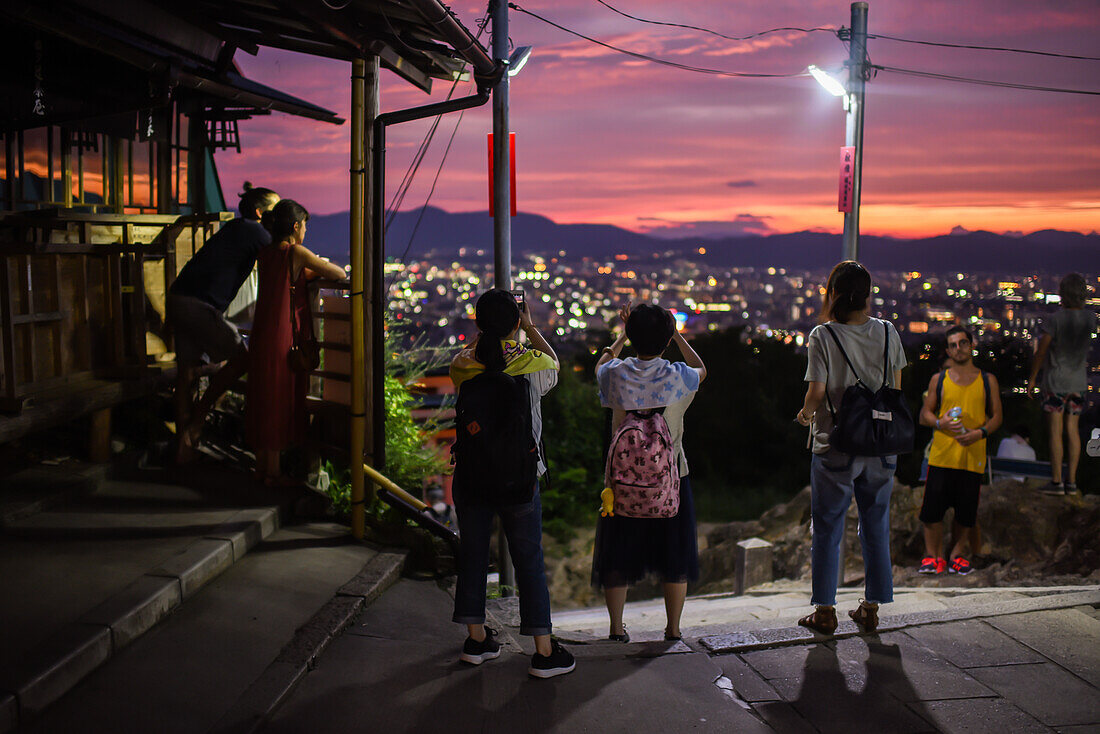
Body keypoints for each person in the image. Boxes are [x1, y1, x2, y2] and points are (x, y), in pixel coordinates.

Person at [448, 288, 575, 679]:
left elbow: (476, 358)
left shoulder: (461, 365)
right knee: (529, 561)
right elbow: (555, 363)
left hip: (472, 476)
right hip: (521, 477)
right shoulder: (533, 365)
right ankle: (543, 651)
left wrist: (486, 334)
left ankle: (476, 641)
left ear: (477, 323)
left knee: (471, 555)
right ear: (516, 323)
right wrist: (531, 329)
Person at [794, 261, 907, 634]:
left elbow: (817, 392)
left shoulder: (822, 336)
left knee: (827, 527)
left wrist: (805, 415)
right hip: (880, 444)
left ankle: (825, 610)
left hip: (836, 443)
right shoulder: (889, 332)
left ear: (832, 294)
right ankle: (870, 607)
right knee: (875, 524)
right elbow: (895, 387)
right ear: (869, 294)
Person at [591, 302, 706, 643]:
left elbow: (600, 363)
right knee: (675, 554)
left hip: (621, 479)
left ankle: (616, 628)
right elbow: (701, 367)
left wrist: (621, 336)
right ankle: (672, 629)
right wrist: (677, 335)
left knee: (616, 554)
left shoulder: (614, 373)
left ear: (631, 336)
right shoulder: (678, 376)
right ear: (667, 338)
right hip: (672, 478)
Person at [168, 182, 279, 463]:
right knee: (243, 359)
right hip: (201, 305)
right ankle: (198, 419)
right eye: (274, 209)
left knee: (186, 373)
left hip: (179, 298)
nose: (279, 215)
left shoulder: (234, 228)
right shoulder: (257, 230)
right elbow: (281, 257)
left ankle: (183, 447)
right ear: (259, 212)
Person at [246, 200, 345, 483]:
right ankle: (274, 473)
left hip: (262, 332)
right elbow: (339, 274)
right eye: (305, 226)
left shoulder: (265, 253)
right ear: (295, 226)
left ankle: (263, 466)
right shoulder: (296, 252)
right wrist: (320, 264)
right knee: (279, 397)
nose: (305, 231)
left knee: (263, 396)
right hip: (283, 335)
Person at [917, 326, 1002, 576]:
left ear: (971, 345)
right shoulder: (939, 379)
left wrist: (980, 433)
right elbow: (925, 414)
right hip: (942, 455)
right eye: (953, 345)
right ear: (948, 350)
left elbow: (996, 417)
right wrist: (939, 423)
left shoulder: (987, 380)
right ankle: (932, 557)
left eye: (962, 343)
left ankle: (957, 555)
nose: (958, 349)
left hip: (972, 456)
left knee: (966, 512)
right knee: (932, 510)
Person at [1027, 273, 1096, 495]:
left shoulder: (1055, 320)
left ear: (1063, 294)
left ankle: (1057, 482)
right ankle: (1072, 482)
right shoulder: (1090, 319)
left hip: (1055, 382)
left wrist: (1032, 377)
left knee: (1055, 432)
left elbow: (1041, 351)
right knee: (1073, 431)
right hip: (1078, 383)